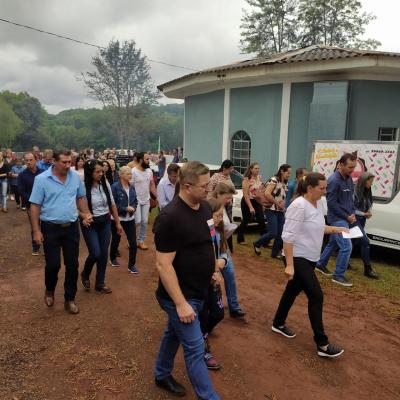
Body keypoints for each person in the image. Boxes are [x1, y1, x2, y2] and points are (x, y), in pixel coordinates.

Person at [153, 161, 221, 399]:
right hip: (179, 296)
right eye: (204, 186)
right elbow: (163, 264)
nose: (208, 190)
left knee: (173, 333)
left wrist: (213, 270)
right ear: (187, 185)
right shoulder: (169, 218)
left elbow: (209, 240)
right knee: (195, 348)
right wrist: (181, 303)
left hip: (200, 289)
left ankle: (161, 374)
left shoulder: (203, 208)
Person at [272, 172, 347, 358]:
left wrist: (337, 229)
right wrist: (289, 265)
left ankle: (278, 323)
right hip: (297, 257)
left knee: (292, 291)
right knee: (316, 295)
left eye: (325, 187)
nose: (325, 191)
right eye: (322, 188)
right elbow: (287, 237)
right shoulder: (298, 205)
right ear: (310, 188)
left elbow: (318, 226)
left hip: (311, 257)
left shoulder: (319, 203)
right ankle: (322, 344)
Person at [29, 149, 93, 314]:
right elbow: (35, 206)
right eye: (64, 162)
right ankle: (49, 289)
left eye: (69, 162)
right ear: (54, 162)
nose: (68, 165)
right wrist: (36, 231)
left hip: (71, 227)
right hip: (50, 228)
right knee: (53, 265)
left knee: (72, 265)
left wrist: (85, 213)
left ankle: (69, 299)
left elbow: (80, 197)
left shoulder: (75, 178)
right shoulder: (42, 180)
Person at [80, 160, 123, 294]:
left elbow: (112, 204)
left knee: (104, 253)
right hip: (90, 223)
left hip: (105, 221)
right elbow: (75, 205)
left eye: (102, 171)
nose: (100, 174)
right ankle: (85, 273)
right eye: (97, 172)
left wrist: (117, 222)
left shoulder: (105, 184)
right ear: (89, 173)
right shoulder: (82, 186)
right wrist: (83, 216)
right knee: (95, 253)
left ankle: (100, 282)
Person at [315, 153, 357, 287]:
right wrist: (346, 217)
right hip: (338, 219)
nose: (352, 170)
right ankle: (338, 275)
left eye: (354, 167)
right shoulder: (333, 180)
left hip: (346, 217)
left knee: (333, 242)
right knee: (346, 247)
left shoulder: (349, 178)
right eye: (350, 167)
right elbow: (331, 203)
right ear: (341, 165)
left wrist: (352, 213)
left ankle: (320, 265)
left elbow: (350, 199)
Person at [210, 182, 246, 318]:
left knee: (230, 275)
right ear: (218, 194)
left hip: (223, 247)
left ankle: (234, 307)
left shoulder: (224, 207)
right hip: (214, 247)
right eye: (227, 197)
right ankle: (211, 310)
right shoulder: (210, 206)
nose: (229, 200)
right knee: (214, 279)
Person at [200, 197, 227, 370]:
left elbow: (224, 252)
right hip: (201, 281)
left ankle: (200, 334)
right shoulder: (200, 233)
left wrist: (222, 261)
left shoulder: (218, 231)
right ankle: (202, 347)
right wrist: (210, 271)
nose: (220, 219)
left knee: (218, 313)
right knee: (202, 315)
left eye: (221, 215)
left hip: (214, 281)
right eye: (217, 216)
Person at [253, 164, 292, 258]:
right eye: (288, 172)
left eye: (290, 173)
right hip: (271, 209)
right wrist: (277, 203)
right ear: (282, 171)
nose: (289, 174)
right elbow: (267, 194)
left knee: (281, 233)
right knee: (273, 232)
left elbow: (282, 195)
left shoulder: (285, 182)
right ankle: (257, 243)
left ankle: (274, 254)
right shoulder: (274, 180)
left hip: (280, 210)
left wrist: (283, 205)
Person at [110, 166, 139, 274]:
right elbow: (112, 204)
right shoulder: (115, 187)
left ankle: (131, 265)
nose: (130, 176)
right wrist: (125, 208)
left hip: (130, 219)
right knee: (116, 240)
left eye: (131, 173)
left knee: (133, 243)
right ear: (121, 175)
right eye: (128, 174)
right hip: (117, 219)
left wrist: (134, 207)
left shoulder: (131, 186)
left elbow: (135, 200)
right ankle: (112, 258)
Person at [354, 172, 379, 279]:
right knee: (365, 241)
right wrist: (363, 213)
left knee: (353, 241)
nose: (371, 184)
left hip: (362, 220)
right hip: (354, 220)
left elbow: (370, 203)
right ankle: (367, 269)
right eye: (370, 181)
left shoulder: (367, 191)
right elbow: (350, 209)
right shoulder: (355, 190)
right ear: (364, 181)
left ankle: (344, 262)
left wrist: (368, 211)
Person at [18, 153, 44, 254]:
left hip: (45, 205)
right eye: (26, 160)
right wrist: (34, 200)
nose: (28, 162)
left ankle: (47, 246)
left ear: (36, 160)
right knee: (35, 226)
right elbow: (21, 191)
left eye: (31, 160)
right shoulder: (22, 175)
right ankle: (36, 247)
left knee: (46, 225)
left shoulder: (43, 173)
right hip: (31, 205)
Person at [131, 152, 157, 250]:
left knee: (144, 221)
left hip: (146, 200)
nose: (148, 161)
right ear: (141, 160)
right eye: (147, 159)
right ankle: (132, 240)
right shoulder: (133, 171)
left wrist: (157, 196)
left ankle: (141, 241)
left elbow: (152, 185)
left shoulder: (149, 171)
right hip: (136, 200)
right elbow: (130, 187)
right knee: (137, 221)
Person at [236, 162, 266, 245]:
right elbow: (245, 194)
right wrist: (250, 207)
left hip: (257, 201)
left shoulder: (260, 178)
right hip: (247, 201)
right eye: (255, 168)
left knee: (261, 219)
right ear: (251, 169)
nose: (257, 170)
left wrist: (262, 202)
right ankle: (240, 238)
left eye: (258, 168)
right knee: (246, 220)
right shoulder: (246, 179)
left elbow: (262, 190)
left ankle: (265, 240)